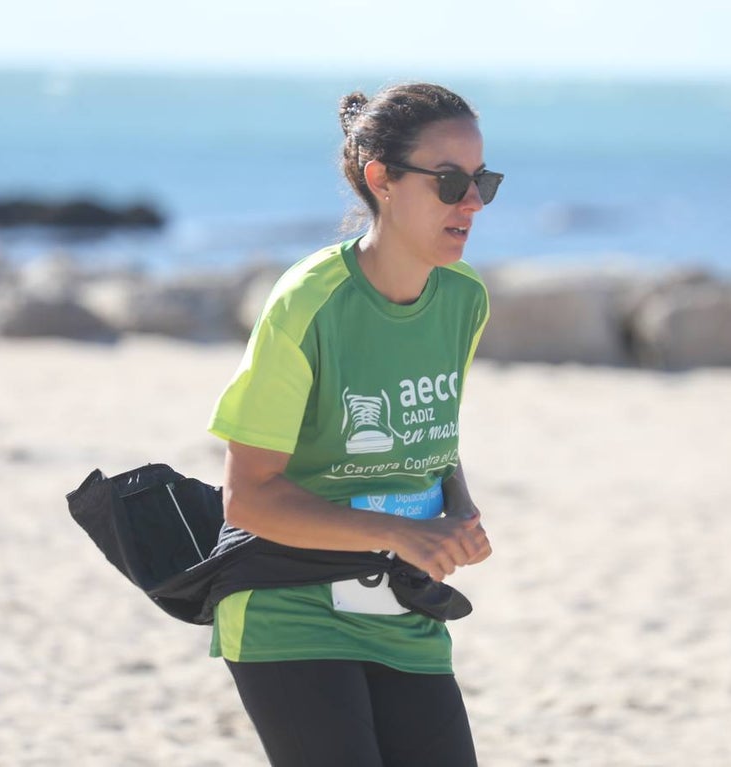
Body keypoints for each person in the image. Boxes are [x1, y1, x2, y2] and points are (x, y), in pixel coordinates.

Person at [206, 82, 503, 767]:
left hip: (403, 607)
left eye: (482, 180)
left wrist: (455, 507)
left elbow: (427, 439)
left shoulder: (464, 299)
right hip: (289, 605)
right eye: (451, 180)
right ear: (383, 180)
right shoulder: (308, 302)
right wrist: (400, 530)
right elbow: (248, 496)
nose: (472, 201)